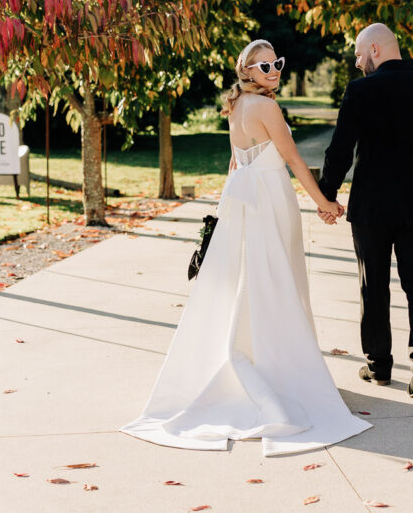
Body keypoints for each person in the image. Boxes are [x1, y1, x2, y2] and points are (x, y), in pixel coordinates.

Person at [120, 39, 371, 456]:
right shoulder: (267, 108)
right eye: (265, 65)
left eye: (278, 62)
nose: (274, 70)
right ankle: (282, 371)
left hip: (245, 201)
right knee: (275, 281)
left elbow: (235, 163)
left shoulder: (236, 107)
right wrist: (324, 203)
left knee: (253, 282)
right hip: (270, 201)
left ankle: (261, 359)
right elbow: (291, 159)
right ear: (247, 71)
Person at [317, 23, 413, 399]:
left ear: (376, 50)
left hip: (371, 208)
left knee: (373, 286)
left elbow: (340, 151)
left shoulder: (361, 90)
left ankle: (379, 366)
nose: (357, 61)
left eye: (359, 53)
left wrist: (326, 196)